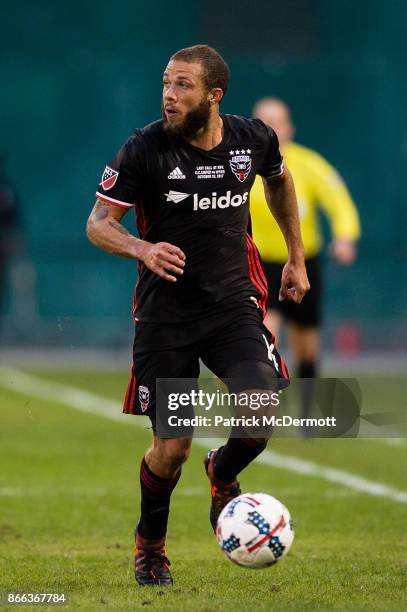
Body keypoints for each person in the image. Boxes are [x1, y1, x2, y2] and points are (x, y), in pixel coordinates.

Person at [86, 46, 309, 587]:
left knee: (259, 416)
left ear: (214, 95)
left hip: (234, 304)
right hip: (166, 317)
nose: (168, 93)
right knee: (170, 449)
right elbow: (98, 223)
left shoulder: (251, 139)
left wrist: (296, 258)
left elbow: (279, 180)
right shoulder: (144, 148)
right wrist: (143, 250)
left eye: (183, 84)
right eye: (165, 82)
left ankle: (223, 471)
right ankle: (150, 548)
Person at [250, 98, 361, 428]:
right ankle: (257, 414)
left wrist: (345, 237)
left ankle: (308, 416)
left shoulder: (308, 165)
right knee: (264, 338)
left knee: (307, 348)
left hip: (302, 264)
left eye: (277, 122)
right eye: (263, 122)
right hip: (257, 266)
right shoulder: (240, 167)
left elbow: (339, 203)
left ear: (289, 128)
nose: (271, 129)